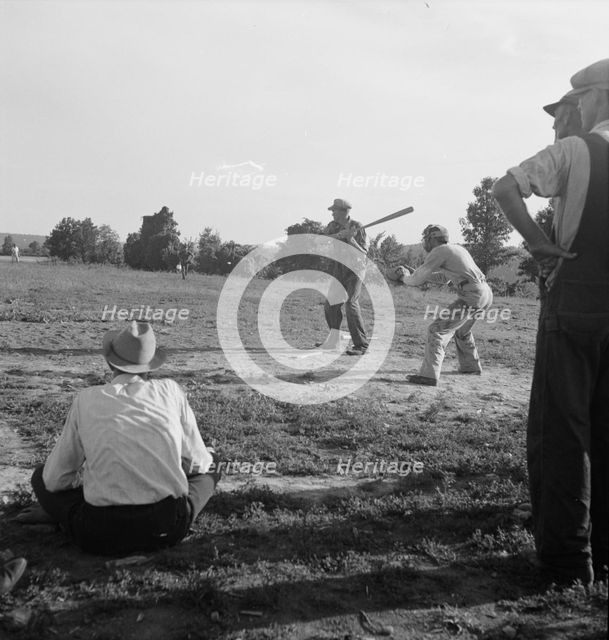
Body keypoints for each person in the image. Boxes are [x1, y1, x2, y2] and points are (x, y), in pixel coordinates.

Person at [492, 58, 609, 585]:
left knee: (563, 431)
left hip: (578, 304)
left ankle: (565, 562)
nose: (574, 111)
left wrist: (538, 242)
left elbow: (505, 187)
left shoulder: (578, 150)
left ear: (596, 98)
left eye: (578, 102)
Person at [21, 321, 219, 556]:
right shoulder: (171, 391)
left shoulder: (86, 399)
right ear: (150, 367)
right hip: (165, 527)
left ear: (109, 361)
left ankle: (59, 514)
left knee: (40, 477)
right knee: (212, 466)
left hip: (99, 533)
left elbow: (54, 480)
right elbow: (199, 463)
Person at [391, 224, 492, 386]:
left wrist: (404, 277)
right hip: (485, 293)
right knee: (462, 331)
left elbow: (415, 281)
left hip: (472, 295)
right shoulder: (455, 249)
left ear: (432, 239)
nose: (424, 242)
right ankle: (470, 367)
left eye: (426, 238)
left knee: (436, 330)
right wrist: (419, 273)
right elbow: (445, 278)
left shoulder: (438, 251)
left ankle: (429, 376)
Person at [322, 198, 370, 356]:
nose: (332, 213)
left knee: (351, 303)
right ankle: (333, 342)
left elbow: (363, 252)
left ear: (343, 212)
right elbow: (323, 240)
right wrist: (339, 235)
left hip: (356, 268)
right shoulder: (332, 226)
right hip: (339, 266)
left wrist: (350, 239)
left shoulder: (358, 227)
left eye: (334, 210)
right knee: (331, 304)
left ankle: (361, 345)